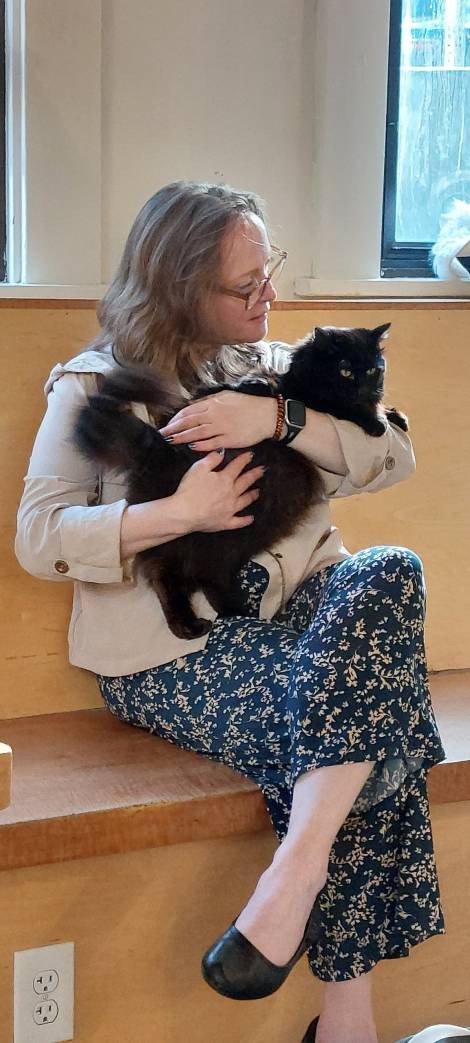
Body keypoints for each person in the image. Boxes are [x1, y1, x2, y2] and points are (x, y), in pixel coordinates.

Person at [15, 181, 447, 1043]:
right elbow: (39, 534)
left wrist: (277, 416)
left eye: (268, 271)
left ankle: (293, 875)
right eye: (245, 286)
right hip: (172, 648)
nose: (269, 296)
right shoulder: (93, 382)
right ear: (180, 288)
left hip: (303, 619)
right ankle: (347, 1022)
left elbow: (393, 452)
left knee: (392, 572)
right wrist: (180, 512)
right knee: (363, 709)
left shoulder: (278, 370)